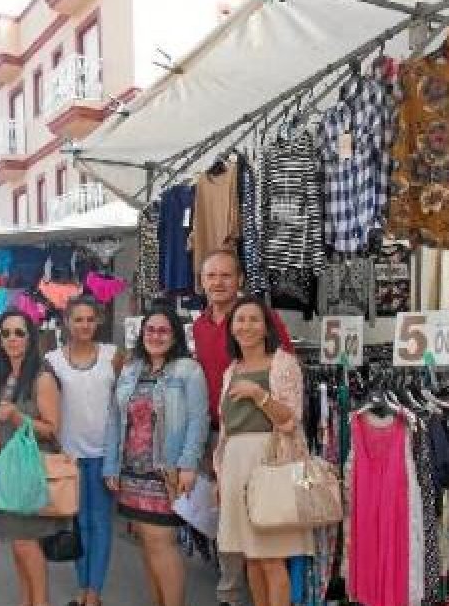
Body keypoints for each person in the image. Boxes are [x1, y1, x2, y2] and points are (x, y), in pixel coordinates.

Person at [191, 250, 293, 606]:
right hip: (221, 435)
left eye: (226, 275)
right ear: (202, 282)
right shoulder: (200, 326)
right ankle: (230, 593)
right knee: (230, 523)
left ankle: (241, 593)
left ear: (240, 279)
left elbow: (286, 379)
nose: (218, 283)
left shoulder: (260, 319)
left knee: (265, 534)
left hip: (264, 439)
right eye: (211, 276)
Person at [103, 304, 209, 606]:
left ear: (175, 336)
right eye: (150, 330)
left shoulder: (188, 370)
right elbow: (115, 419)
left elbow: (198, 420)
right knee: (147, 545)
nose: (156, 336)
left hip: (165, 470)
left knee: (162, 544)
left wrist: (188, 465)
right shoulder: (130, 369)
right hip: (131, 473)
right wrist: (111, 466)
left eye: (164, 330)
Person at [213, 296, 312, 606]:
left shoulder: (284, 364)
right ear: (231, 328)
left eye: (254, 319)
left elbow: (290, 419)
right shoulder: (232, 370)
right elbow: (227, 429)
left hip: (270, 463)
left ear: (267, 327)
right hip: (235, 464)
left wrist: (259, 395)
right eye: (240, 320)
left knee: (271, 558)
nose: (246, 326)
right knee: (251, 558)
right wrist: (220, 475)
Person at [44, 296, 125, 606]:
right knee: (77, 523)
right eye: (78, 319)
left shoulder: (113, 355)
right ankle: (82, 587)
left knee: (100, 522)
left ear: (99, 321)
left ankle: (94, 593)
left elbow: (125, 400)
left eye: (90, 319)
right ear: (67, 322)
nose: (85, 325)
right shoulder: (52, 360)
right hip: (69, 455)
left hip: (105, 454)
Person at [0, 310, 66, 606]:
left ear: (31, 337)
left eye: (19, 332)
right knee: (18, 547)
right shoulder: (1, 375)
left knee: (27, 546)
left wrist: (16, 416)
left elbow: (52, 429)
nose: (12, 338)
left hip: (31, 470)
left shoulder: (42, 378)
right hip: (7, 471)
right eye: (5, 333)